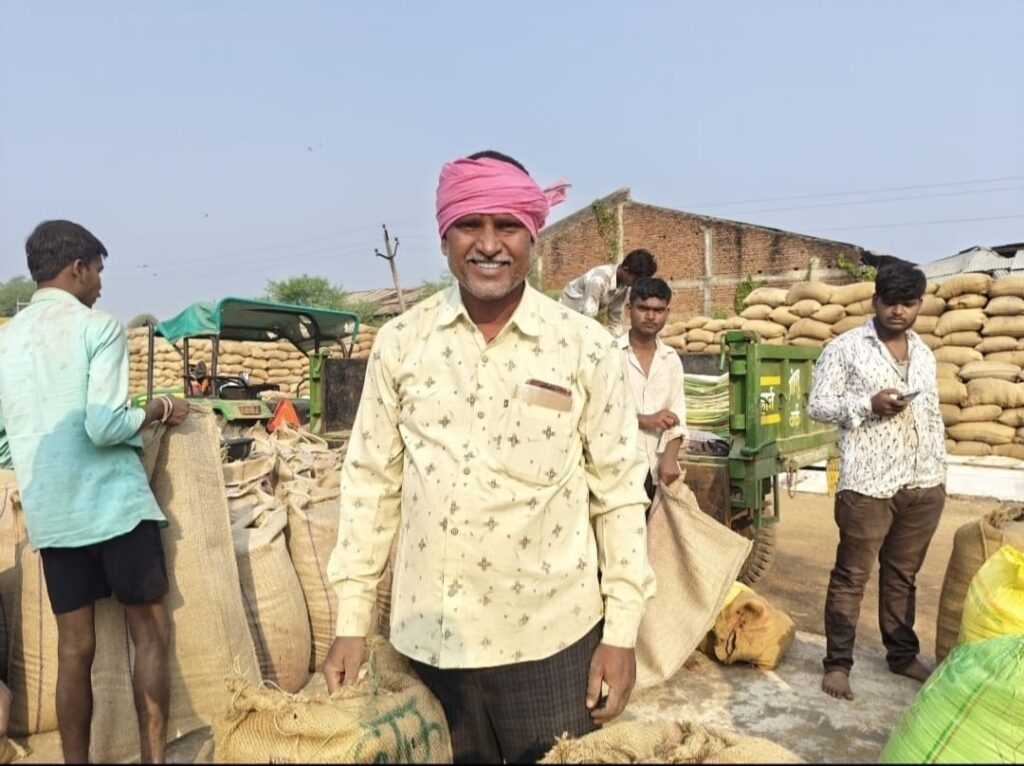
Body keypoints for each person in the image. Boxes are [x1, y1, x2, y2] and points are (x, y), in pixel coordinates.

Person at [323, 151, 654, 763]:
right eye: (470, 225)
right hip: (432, 642)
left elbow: (619, 490)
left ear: (533, 236)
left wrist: (623, 633)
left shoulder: (581, 346)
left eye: (508, 227)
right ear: (444, 236)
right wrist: (351, 620)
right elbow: (371, 482)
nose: (489, 244)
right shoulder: (402, 342)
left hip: (550, 641)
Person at [0, 220, 189, 763]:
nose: (102, 284)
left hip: (53, 515)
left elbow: (11, 442)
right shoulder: (98, 327)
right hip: (114, 510)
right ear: (77, 268)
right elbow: (104, 425)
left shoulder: (8, 341)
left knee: (74, 650)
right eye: (98, 271)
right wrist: (160, 409)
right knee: (149, 635)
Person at [807, 262, 946, 702]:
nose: (899, 312)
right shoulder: (846, 348)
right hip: (868, 483)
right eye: (891, 302)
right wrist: (867, 404)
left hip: (923, 480)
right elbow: (818, 406)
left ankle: (902, 654)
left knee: (903, 575)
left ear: (919, 305)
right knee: (852, 576)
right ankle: (838, 665)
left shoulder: (924, 352)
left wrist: (940, 470)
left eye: (908, 304)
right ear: (875, 301)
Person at [619, 277, 688, 505]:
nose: (651, 316)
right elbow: (597, 414)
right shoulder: (610, 354)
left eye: (658, 310)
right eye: (644, 308)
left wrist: (670, 458)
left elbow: (678, 418)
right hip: (619, 470)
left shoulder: (670, 360)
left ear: (667, 312)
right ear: (629, 309)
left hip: (657, 472)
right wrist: (645, 420)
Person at [559, 249, 657, 336]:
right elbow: (588, 318)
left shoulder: (624, 285)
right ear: (625, 270)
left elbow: (615, 316)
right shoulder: (598, 280)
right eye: (636, 280)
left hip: (583, 317)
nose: (636, 284)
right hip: (565, 315)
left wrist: (618, 343)